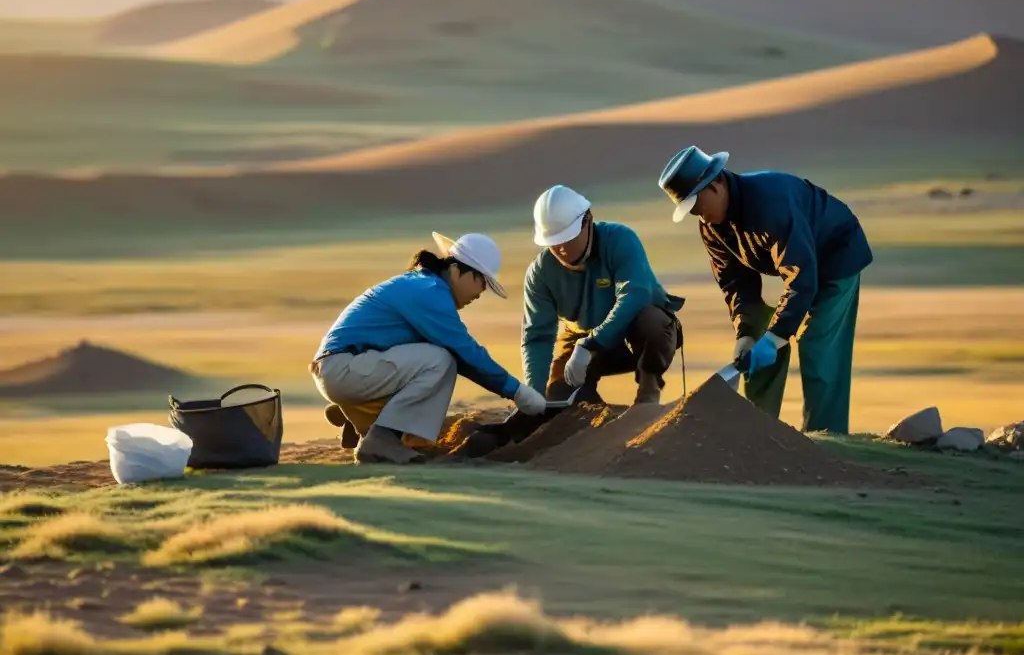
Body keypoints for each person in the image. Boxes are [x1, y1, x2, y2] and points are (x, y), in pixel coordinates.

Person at [657, 145, 873, 434]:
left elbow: (802, 279)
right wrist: (746, 332)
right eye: (691, 210)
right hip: (801, 265)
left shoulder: (770, 204)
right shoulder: (710, 225)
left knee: (817, 343)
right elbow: (735, 282)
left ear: (717, 183)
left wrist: (776, 338)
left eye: (697, 204)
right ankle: (758, 434)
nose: (699, 215)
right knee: (755, 341)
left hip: (837, 253)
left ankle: (826, 438)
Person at [308, 231, 548, 464]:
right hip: (344, 370)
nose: (481, 292)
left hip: (344, 367)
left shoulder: (422, 284)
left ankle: (357, 416)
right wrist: (516, 391)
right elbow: (465, 351)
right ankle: (383, 438)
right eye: (482, 282)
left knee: (432, 354)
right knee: (440, 360)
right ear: (457, 270)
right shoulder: (430, 292)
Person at [517, 185, 684, 430]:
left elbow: (634, 294)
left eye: (568, 237)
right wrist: (534, 393)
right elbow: (537, 338)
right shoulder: (540, 273)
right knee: (558, 394)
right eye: (554, 242)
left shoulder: (620, 239)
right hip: (582, 344)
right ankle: (598, 425)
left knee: (652, 322)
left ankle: (647, 396)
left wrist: (591, 343)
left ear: (588, 221)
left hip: (637, 335)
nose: (562, 248)